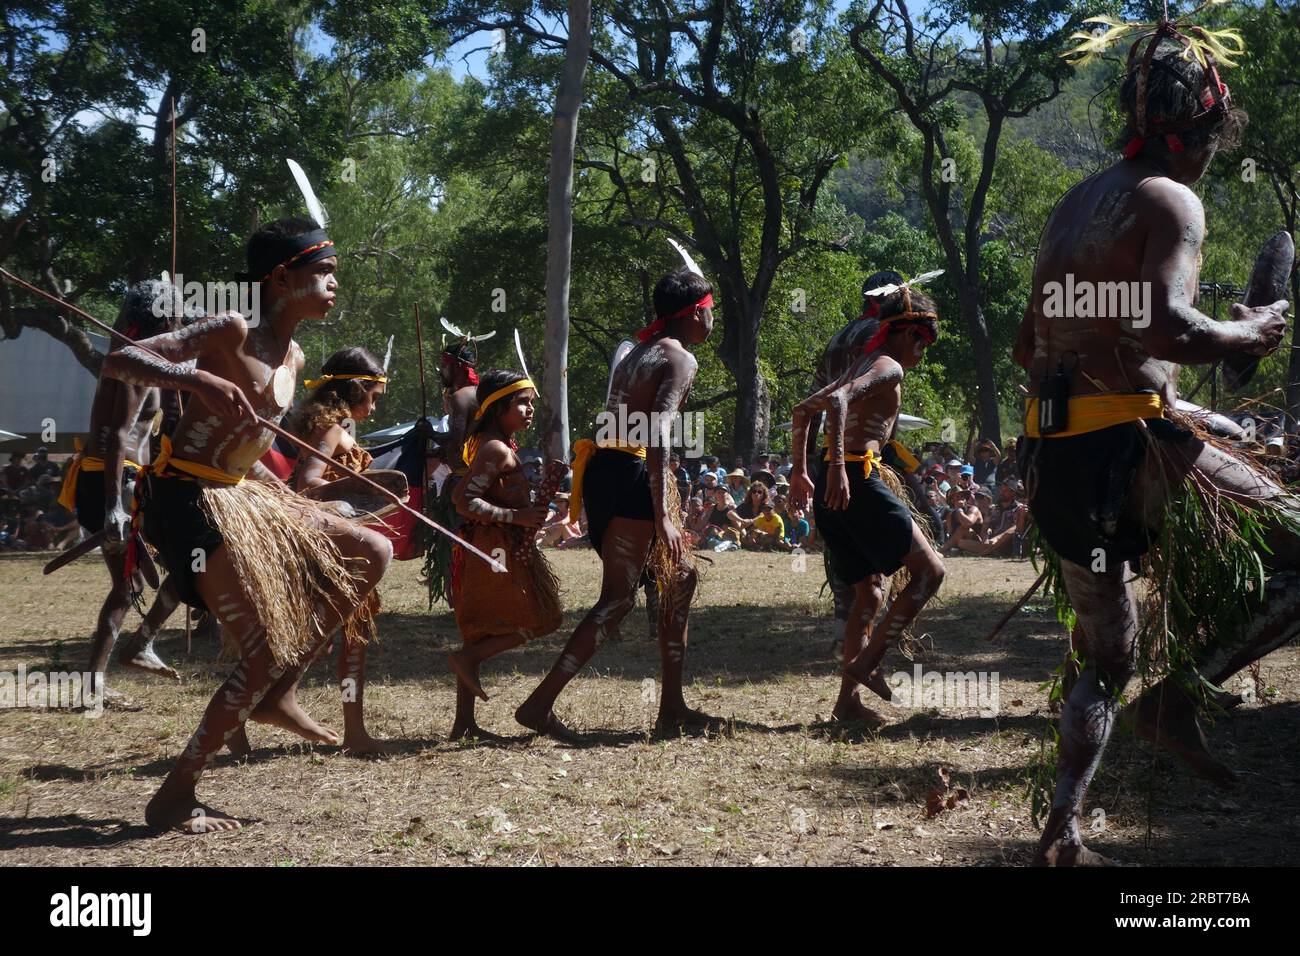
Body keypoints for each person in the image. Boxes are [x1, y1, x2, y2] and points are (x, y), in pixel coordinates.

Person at [1015, 32, 1297, 865]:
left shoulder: (1072, 205)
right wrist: (1248, 328)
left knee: (1106, 655)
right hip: (1130, 449)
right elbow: (1168, 324)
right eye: (1214, 146)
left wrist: (1158, 387)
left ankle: (1063, 834)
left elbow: (1031, 343)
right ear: (1198, 135)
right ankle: (1180, 702)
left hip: (1059, 454)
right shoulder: (1171, 200)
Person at [100, 216, 392, 831]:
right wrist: (195, 375)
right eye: (324, 272)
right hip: (188, 500)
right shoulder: (232, 328)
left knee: (371, 549)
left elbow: (248, 444)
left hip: (242, 491)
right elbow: (122, 361)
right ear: (281, 277)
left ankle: (282, 690)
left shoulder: (297, 354)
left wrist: (301, 498)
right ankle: (177, 792)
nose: (335, 283)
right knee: (256, 649)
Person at [516, 265, 717, 741]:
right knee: (618, 599)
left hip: (607, 472)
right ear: (692, 315)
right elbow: (659, 430)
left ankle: (671, 708)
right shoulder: (678, 358)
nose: (713, 322)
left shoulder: (639, 351)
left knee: (680, 578)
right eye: (711, 312)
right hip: (628, 473)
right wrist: (664, 515)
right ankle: (539, 704)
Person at [790, 284, 946, 725]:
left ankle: (847, 705)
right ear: (907, 333)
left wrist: (803, 472)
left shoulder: (862, 362)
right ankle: (867, 665)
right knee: (931, 572)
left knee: (869, 593)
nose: (923, 351)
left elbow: (804, 411)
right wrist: (839, 465)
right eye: (923, 340)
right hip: (855, 477)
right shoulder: (888, 367)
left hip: (833, 480)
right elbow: (836, 402)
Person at [61, 280, 190, 703]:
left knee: (132, 582)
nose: (182, 323)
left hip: (121, 482)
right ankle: (130, 654)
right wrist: (116, 506)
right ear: (164, 317)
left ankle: (97, 679)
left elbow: (161, 420)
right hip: (112, 484)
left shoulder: (144, 359)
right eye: (176, 317)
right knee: (181, 560)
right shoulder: (134, 361)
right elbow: (117, 436)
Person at [286, 345, 393, 754]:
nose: (375, 407)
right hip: (331, 547)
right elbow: (308, 486)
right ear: (356, 389)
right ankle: (354, 732)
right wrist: (354, 495)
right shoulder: (330, 429)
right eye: (374, 397)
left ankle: (355, 730)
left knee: (352, 637)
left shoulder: (329, 424)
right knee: (345, 637)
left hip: (337, 542)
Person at [447, 371, 563, 740]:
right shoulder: (496, 447)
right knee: (540, 617)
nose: (530, 409)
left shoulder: (497, 442)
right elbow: (463, 501)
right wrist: (517, 516)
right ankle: (469, 661)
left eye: (530, 402)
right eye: (521, 403)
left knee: (478, 629)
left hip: (492, 544)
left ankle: (464, 724)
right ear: (498, 408)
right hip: (493, 546)